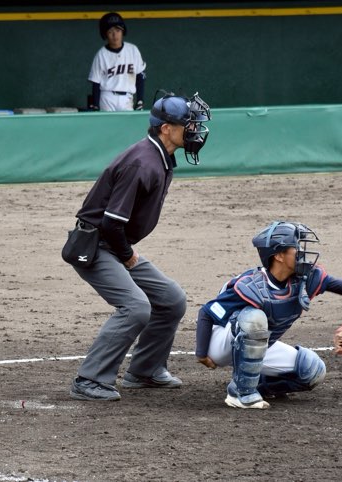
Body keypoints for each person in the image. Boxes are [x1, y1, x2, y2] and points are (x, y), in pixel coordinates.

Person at [68, 90, 211, 401]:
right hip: (95, 246)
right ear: (166, 129)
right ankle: (89, 380)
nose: (194, 129)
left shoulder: (159, 157)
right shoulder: (142, 163)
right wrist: (128, 256)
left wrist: (125, 253)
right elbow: (111, 222)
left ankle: (145, 370)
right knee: (136, 307)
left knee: (171, 299)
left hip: (113, 244)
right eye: (188, 124)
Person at [195, 221, 342, 409]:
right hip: (222, 343)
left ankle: (257, 384)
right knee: (254, 319)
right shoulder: (251, 286)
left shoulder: (303, 279)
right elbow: (206, 313)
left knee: (312, 370)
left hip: (259, 346)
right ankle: (240, 393)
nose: (301, 253)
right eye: (296, 248)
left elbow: (336, 284)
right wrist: (202, 354)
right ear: (278, 255)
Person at [88, 12, 146, 111]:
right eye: (110, 31)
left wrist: (140, 100)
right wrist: (96, 105)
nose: (115, 35)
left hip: (127, 98)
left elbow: (140, 76)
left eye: (118, 30)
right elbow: (96, 82)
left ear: (123, 31)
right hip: (107, 97)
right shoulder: (101, 54)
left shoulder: (133, 50)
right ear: (105, 34)